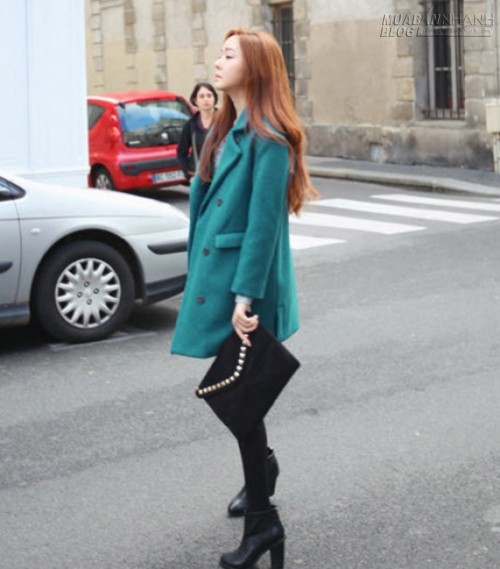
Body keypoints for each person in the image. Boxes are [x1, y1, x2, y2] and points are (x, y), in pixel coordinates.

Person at [171, 28, 318, 569]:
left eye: (229, 55)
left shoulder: (269, 139)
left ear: (253, 68)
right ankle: (264, 473)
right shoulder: (227, 126)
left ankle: (263, 521)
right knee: (240, 396)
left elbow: (262, 227)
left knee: (238, 395)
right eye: (219, 53)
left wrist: (245, 298)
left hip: (244, 287)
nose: (217, 62)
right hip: (222, 280)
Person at [176, 82, 218, 182]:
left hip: (221, 177)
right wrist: (189, 175)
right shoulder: (190, 125)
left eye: (209, 95)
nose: (206, 99)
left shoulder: (225, 121)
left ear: (214, 98)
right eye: (202, 96)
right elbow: (181, 153)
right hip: (199, 178)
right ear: (195, 100)